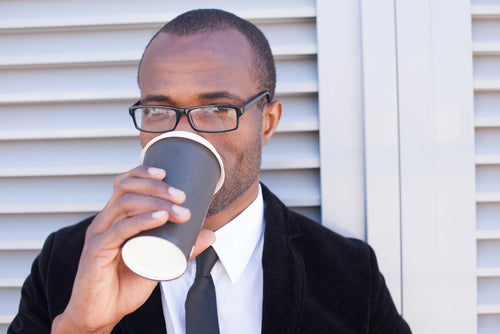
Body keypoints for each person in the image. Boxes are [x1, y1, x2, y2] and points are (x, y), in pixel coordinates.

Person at [8, 8, 411, 334]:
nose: (183, 133)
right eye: (159, 110)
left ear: (267, 122)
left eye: (218, 109)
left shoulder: (348, 274)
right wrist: (83, 329)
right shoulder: (67, 263)